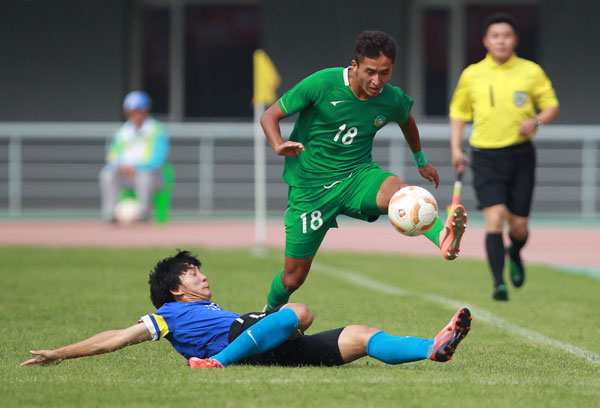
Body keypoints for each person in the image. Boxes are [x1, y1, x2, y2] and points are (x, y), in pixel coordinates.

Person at [260, 30, 467, 311]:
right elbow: (270, 115)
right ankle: (266, 316)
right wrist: (278, 144)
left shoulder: (391, 98)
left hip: (357, 176)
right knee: (293, 279)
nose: (377, 80)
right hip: (311, 189)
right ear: (355, 65)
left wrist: (421, 161)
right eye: (370, 71)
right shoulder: (322, 83)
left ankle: (443, 239)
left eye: (385, 72)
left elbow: (407, 121)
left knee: (401, 192)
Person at [21, 250, 471, 369]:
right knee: (299, 312)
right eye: (192, 273)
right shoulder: (168, 316)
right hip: (241, 341)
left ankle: (431, 348)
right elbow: (116, 339)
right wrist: (60, 352)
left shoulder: (208, 306)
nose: (201, 275)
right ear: (175, 289)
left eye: (198, 269)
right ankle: (216, 363)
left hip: (260, 343)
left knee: (359, 336)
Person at [449, 13, 560, 301]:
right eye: (495, 36)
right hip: (485, 156)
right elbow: (459, 113)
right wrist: (455, 148)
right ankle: (498, 284)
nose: (501, 40)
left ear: (515, 40)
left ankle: (515, 251)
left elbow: (551, 106)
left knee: (519, 226)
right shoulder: (472, 74)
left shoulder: (530, 71)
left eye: (506, 35)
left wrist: (536, 121)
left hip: (521, 155)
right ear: (486, 40)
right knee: (494, 218)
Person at [99, 90, 170, 223]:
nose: (135, 115)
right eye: (131, 111)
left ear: (145, 110)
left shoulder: (157, 130)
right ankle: (110, 214)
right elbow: (112, 157)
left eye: (138, 110)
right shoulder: (122, 132)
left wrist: (137, 168)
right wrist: (121, 168)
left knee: (145, 176)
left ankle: (143, 215)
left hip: (150, 175)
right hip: (125, 174)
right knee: (107, 174)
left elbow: (159, 158)